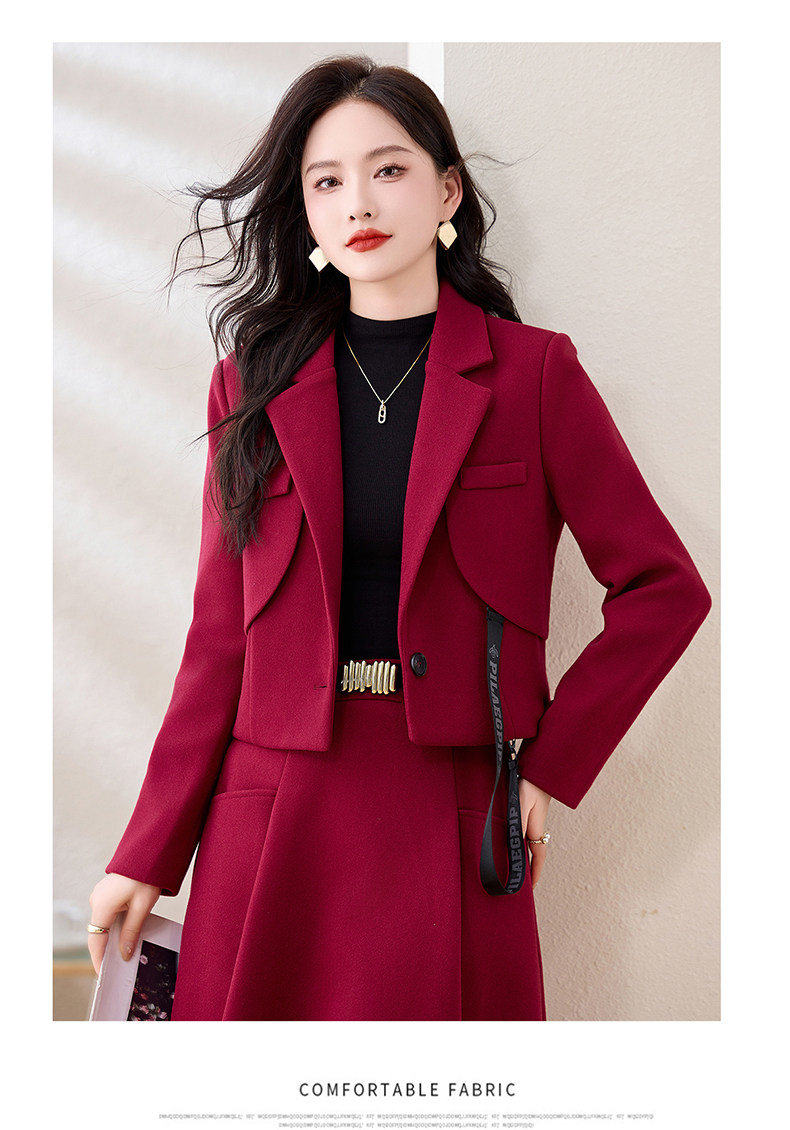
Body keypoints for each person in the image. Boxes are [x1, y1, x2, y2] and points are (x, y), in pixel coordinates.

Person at [87, 56, 712, 1021]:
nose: (359, 203)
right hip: (270, 817)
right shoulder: (248, 383)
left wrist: (550, 767)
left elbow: (665, 591)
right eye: (326, 181)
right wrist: (147, 853)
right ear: (304, 212)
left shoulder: (534, 377)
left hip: (453, 809)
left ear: (447, 190)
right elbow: (218, 638)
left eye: (388, 170)